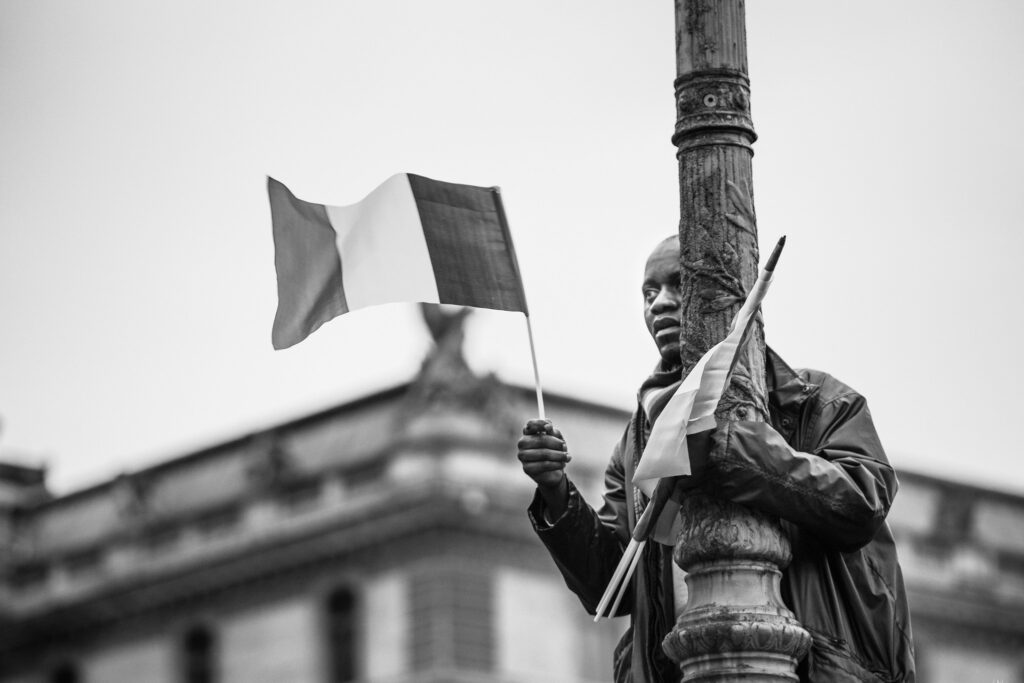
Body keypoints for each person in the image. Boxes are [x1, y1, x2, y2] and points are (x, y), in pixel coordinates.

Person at [517, 235, 915, 682]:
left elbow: (862, 501)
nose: (659, 304)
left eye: (677, 284)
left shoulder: (814, 402)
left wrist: (731, 448)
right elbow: (611, 587)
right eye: (649, 293)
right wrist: (556, 492)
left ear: (727, 296)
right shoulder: (637, 440)